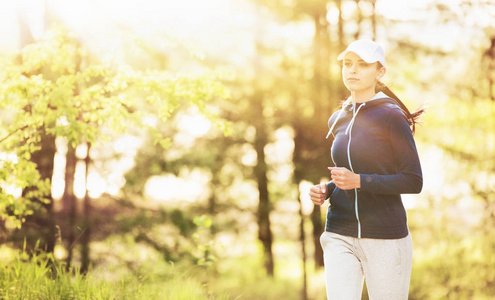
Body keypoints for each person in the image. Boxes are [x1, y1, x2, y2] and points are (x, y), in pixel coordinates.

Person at [308, 39, 425, 300]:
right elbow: (346, 174)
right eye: (348, 64)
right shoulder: (337, 118)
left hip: (385, 236)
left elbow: (413, 181)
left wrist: (360, 181)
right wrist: (326, 189)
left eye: (362, 65)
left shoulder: (391, 116)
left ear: (380, 72)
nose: (352, 70)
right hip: (339, 231)